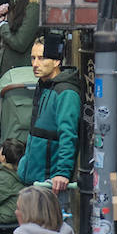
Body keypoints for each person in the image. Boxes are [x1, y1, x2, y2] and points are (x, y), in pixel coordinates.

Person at [17, 32, 82, 192]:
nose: (35, 64)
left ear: (57, 61)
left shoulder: (66, 93)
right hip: (35, 177)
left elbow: (68, 134)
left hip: (51, 182)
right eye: (33, 58)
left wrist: (62, 172)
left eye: (42, 58)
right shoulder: (44, 85)